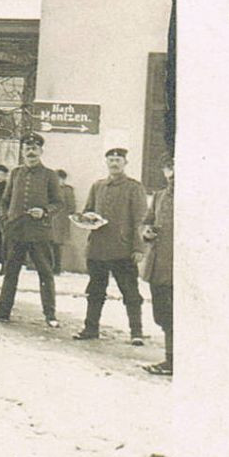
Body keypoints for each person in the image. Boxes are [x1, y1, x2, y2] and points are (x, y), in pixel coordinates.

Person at [0, 134, 63, 327]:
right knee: (10, 272)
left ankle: (50, 314)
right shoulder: (16, 173)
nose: (31, 152)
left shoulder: (49, 175)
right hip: (16, 231)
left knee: (45, 272)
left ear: (41, 151)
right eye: (27, 148)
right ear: (22, 151)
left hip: (39, 232)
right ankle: (3, 310)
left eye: (35, 149)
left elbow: (59, 203)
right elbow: (5, 201)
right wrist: (5, 219)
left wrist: (44, 212)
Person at [72, 147, 148, 345]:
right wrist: (88, 218)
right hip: (98, 248)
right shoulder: (98, 186)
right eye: (111, 160)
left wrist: (139, 248)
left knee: (130, 292)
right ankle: (90, 328)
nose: (114, 163)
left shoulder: (134, 187)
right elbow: (88, 210)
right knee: (95, 291)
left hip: (122, 249)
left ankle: (136, 332)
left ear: (125, 163)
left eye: (118, 160)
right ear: (106, 162)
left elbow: (140, 220)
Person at [141, 156, 174, 374]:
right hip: (159, 265)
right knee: (163, 315)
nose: (173, 172)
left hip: (180, 268)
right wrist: (146, 232)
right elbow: (147, 221)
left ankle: (174, 361)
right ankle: (170, 358)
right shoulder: (160, 196)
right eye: (169, 168)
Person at [53, 169, 78, 276]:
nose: (57, 181)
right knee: (48, 244)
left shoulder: (67, 190)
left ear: (63, 180)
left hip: (60, 221)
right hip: (49, 220)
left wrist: (69, 215)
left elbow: (71, 206)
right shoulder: (48, 189)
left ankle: (57, 267)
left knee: (57, 245)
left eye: (59, 179)